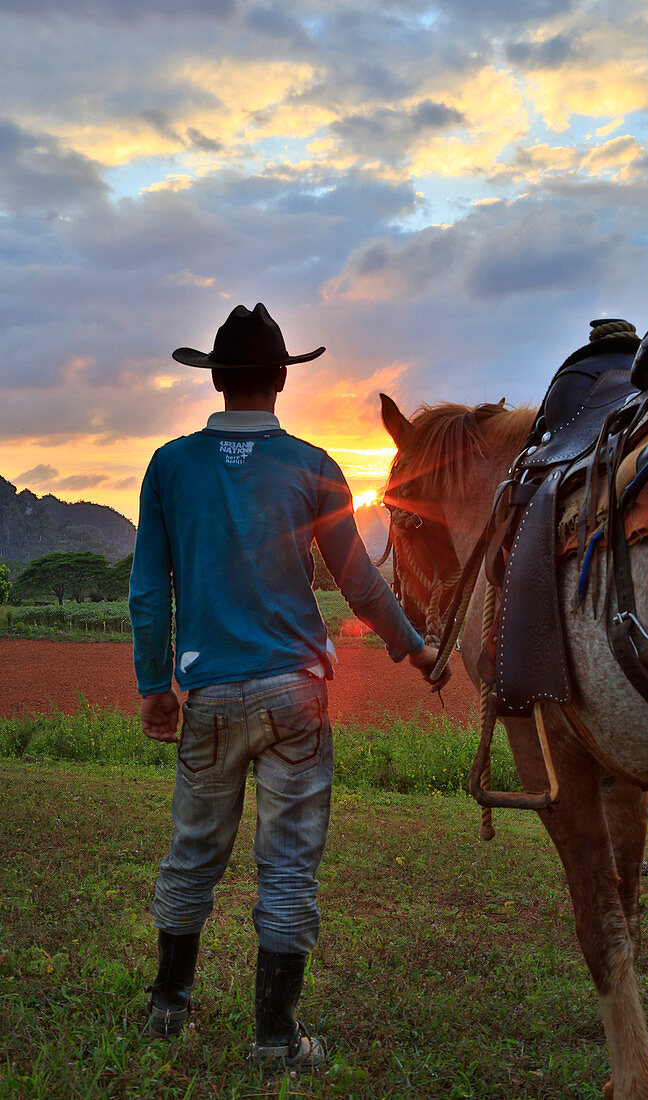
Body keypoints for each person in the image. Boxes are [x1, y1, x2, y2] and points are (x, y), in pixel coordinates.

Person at [129, 302, 450, 1070]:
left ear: (215, 380)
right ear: (279, 379)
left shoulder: (169, 465)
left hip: (208, 694)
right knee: (288, 865)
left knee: (192, 854)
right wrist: (415, 648)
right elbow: (362, 587)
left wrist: (154, 685)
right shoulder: (313, 465)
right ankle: (275, 1037)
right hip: (295, 697)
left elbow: (148, 592)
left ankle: (168, 1007)